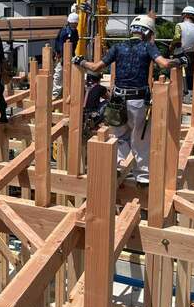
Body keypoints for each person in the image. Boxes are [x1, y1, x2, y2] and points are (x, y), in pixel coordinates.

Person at [73, 15, 186, 184]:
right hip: (137, 101)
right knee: (140, 138)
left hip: (117, 100)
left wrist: (80, 61)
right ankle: (143, 178)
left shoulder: (118, 47)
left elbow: (95, 67)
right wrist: (180, 60)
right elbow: (164, 64)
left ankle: (119, 168)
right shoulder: (148, 46)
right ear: (147, 33)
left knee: (120, 136)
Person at [169, 5, 194, 94]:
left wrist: (171, 46)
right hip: (193, 55)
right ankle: (189, 94)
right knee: (190, 75)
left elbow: (177, 37)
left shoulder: (179, 25)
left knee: (177, 74)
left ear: (184, 15)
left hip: (180, 53)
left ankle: (178, 94)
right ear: (193, 16)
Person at [52, 12, 79, 98]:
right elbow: (60, 45)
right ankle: (56, 94)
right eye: (75, 23)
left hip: (70, 55)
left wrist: (72, 55)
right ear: (70, 22)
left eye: (76, 23)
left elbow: (75, 44)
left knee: (70, 74)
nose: (76, 25)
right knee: (59, 74)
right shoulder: (64, 32)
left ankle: (68, 93)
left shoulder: (75, 32)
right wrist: (62, 57)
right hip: (62, 56)